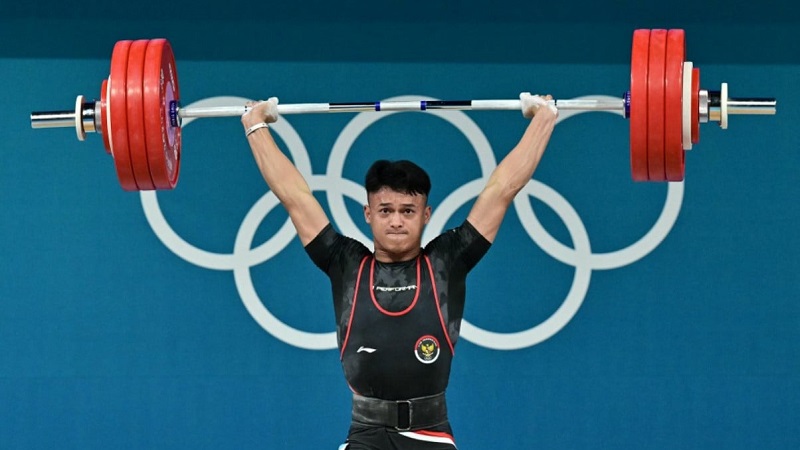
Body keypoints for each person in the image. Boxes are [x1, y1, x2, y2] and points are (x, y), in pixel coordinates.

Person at [241, 93, 558, 450]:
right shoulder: (345, 262)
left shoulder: (447, 260)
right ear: (368, 214)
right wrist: (255, 125)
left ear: (426, 215)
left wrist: (543, 118)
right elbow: (294, 195)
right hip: (364, 435)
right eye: (385, 210)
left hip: (430, 434)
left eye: (408, 211)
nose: (395, 221)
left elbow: (503, 189)